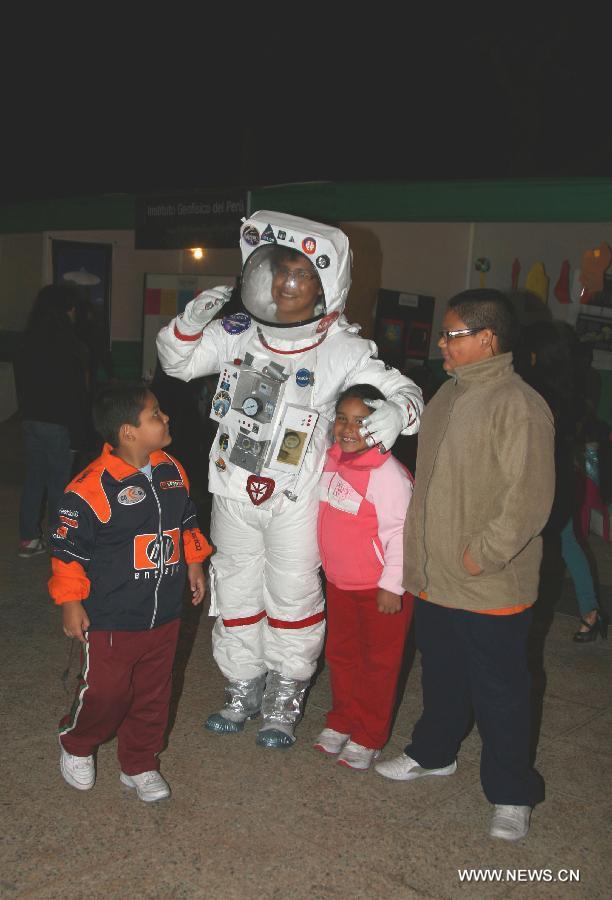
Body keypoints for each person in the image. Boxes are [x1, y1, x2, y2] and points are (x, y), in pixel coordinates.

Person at [156, 211, 423, 748]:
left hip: (296, 497)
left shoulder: (344, 350)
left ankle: (284, 699)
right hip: (232, 489)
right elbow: (178, 363)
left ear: (326, 285)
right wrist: (190, 321)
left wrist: (394, 414)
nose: (285, 284)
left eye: (300, 275)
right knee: (234, 589)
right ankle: (240, 687)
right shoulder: (240, 334)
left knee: (293, 595)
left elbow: (407, 397)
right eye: (279, 272)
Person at [375, 289, 555, 843]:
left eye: (452, 334)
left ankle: (510, 793)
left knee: (501, 691)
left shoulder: (517, 404)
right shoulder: (448, 396)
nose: (441, 344)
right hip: (436, 577)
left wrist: (483, 554)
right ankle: (434, 754)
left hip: (488, 582)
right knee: (443, 676)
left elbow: (528, 499)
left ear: (487, 340)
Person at [48, 383, 212, 802]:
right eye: (155, 414)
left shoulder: (172, 470)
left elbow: (187, 520)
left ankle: (139, 761)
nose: (166, 418)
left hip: (164, 614)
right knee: (107, 692)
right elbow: (68, 552)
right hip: (112, 616)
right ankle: (77, 742)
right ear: (128, 432)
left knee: (155, 692)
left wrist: (193, 561)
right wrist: (71, 603)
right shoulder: (88, 488)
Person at [314, 384, 414, 770]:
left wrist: (393, 585)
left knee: (379, 664)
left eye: (361, 420)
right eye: (342, 418)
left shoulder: (387, 473)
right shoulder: (331, 459)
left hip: (380, 591)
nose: (348, 428)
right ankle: (342, 720)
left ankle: (369, 734)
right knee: (342, 656)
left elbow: (401, 532)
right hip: (340, 583)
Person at [519, 320, 608, 643]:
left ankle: (532, 614)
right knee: (568, 541)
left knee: (548, 543)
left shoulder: (537, 388)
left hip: (546, 476)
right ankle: (590, 611)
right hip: (563, 473)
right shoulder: (572, 383)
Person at [16, 283, 90, 557]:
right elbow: (74, 393)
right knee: (59, 484)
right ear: (66, 309)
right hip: (59, 423)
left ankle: (28, 539)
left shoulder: (27, 340)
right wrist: (79, 433)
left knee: (34, 479)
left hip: (32, 419)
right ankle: (60, 541)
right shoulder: (66, 343)